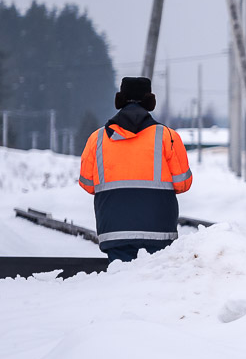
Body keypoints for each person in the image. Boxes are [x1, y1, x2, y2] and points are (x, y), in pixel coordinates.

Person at [78, 77, 193, 262]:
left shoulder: (97, 139)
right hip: (159, 233)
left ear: (120, 100)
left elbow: (87, 184)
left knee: (121, 282)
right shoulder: (168, 137)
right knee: (155, 283)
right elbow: (183, 183)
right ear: (150, 101)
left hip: (114, 232)